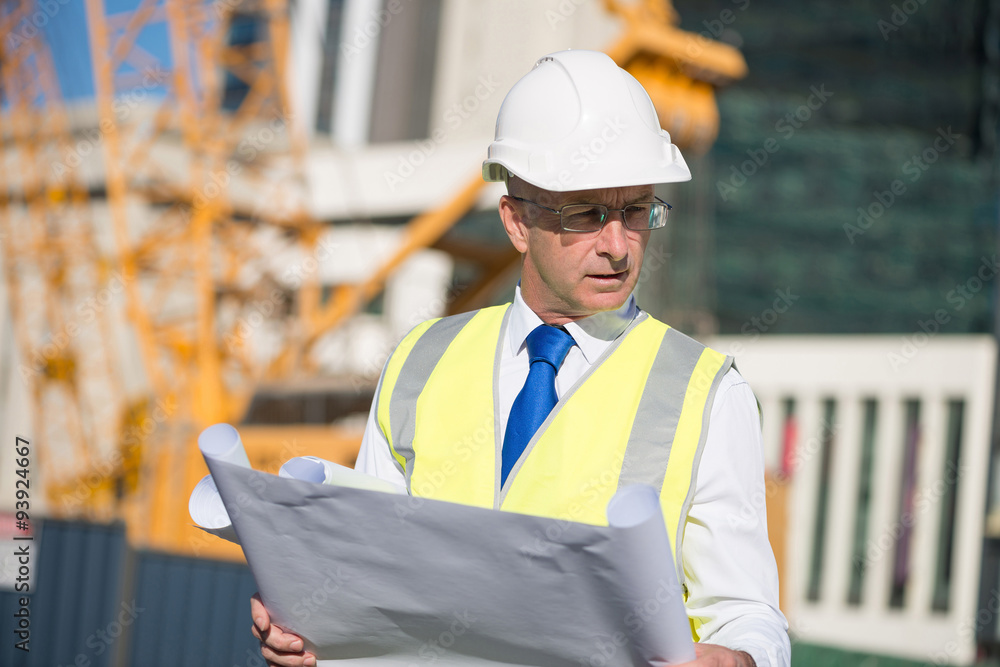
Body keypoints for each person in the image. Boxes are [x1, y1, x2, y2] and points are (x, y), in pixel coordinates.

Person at [251, 49, 790, 667]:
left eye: (635, 211)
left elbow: (748, 614)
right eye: (586, 213)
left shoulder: (706, 393)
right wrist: (314, 626)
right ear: (516, 222)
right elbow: (369, 570)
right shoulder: (421, 362)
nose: (617, 245)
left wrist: (739, 659)